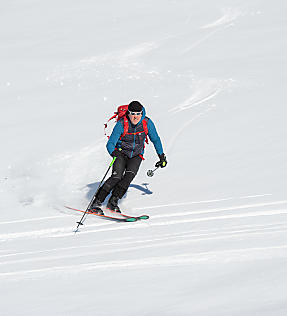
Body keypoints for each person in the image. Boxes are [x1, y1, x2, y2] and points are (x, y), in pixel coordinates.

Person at [89, 100, 167, 214]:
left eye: (138, 114)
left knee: (128, 178)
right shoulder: (121, 124)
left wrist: (161, 156)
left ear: (142, 113)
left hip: (136, 155)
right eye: (132, 113)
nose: (135, 117)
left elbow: (155, 139)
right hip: (121, 154)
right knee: (116, 177)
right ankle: (96, 202)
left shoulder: (147, 123)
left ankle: (113, 202)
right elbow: (110, 144)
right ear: (128, 113)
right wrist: (114, 153)